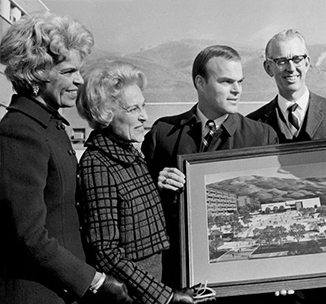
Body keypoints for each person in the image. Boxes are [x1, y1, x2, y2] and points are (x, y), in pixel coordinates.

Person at [0, 12, 132, 304]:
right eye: (69, 71)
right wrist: (96, 282)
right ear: (37, 72)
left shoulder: (49, 125)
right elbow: (28, 236)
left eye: (79, 71)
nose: (80, 80)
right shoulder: (19, 133)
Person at [141, 45, 279, 301]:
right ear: (200, 82)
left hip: (240, 281)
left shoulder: (261, 137)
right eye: (226, 81)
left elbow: (273, 208)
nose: (237, 90)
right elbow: (143, 213)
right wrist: (156, 187)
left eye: (240, 82)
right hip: (180, 282)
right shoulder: (163, 134)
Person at [76, 60, 214, 304]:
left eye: (144, 106)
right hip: (134, 297)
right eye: (133, 110)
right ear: (105, 114)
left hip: (150, 286)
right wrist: (167, 297)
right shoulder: (97, 163)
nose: (145, 117)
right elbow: (106, 254)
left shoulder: (130, 153)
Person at [247, 29, 326, 143]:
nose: (291, 68)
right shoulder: (252, 125)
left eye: (297, 59)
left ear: (307, 63)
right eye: (282, 61)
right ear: (268, 68)